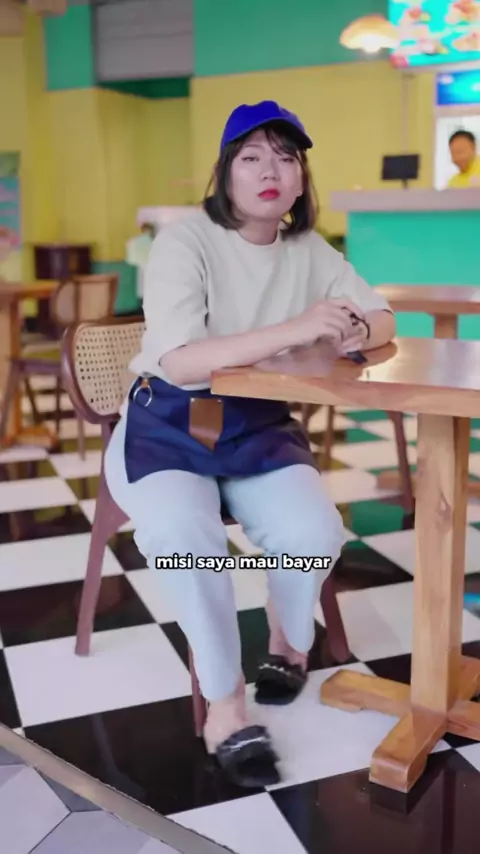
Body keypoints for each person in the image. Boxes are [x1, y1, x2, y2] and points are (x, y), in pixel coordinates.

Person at [104, 100, 395, 788]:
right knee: (185, 536)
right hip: (168, 424)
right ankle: (226, 702)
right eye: (252, 157)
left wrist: (355, 329)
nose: (271, 171)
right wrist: (300, 327)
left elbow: (383, 316)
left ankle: (288, 640)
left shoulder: (308, 249)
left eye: (286, 158)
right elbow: (180, 361)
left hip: (257, 424)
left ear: (300, 181)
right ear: (226, 172)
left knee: (314, 531)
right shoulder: (185, 241)